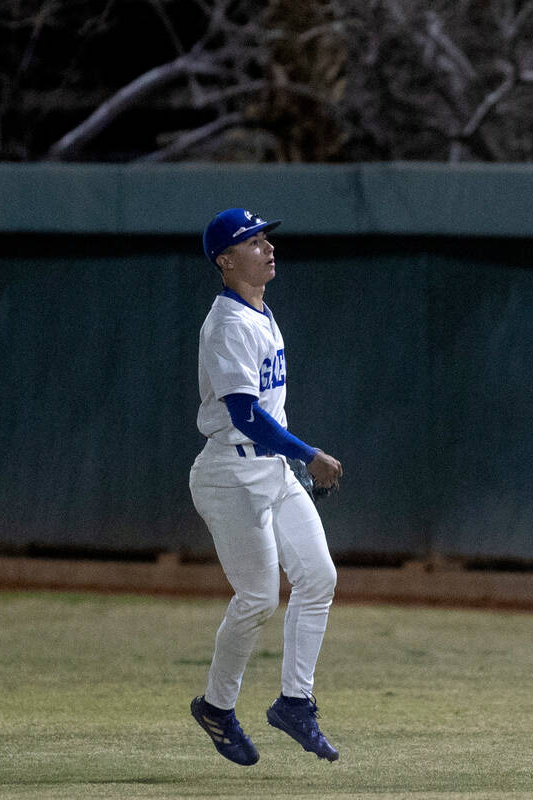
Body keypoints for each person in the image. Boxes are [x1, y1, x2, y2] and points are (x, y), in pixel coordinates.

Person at [188, 207, 344, 766]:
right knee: (257, 599)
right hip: (230, 475)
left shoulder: (259, 310)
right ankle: (216, 706)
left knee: (319, 577)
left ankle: (295, 703)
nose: (267, 247)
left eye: (265, 238)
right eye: (252, 241)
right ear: (225, 261)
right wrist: (309, 454)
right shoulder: (228, 323)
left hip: (271, 471)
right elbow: (244, 415)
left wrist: (294, 461)